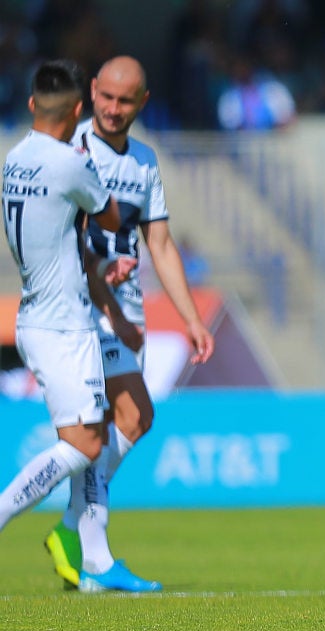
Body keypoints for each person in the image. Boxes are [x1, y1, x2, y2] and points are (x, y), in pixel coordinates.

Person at [43, 55, 215, 593]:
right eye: (106, 98)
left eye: (125, 101)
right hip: (82, 308)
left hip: (128, 309)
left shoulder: (143, 161)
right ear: (91, 92)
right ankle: (84, 545)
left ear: (142, 102)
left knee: (130, 423)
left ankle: (80, 546)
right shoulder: (69, 151)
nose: (113, 110)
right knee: (129, 415)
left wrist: (190, 317)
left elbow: (158, 243)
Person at [0, 59, 128, 537]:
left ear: (33, 104)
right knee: (83, 446)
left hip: (34, 313)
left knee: (88, 439)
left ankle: (94, 556)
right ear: (78, 110)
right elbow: (111, 217)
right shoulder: (71, 163)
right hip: (63, 324)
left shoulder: (14, 157)